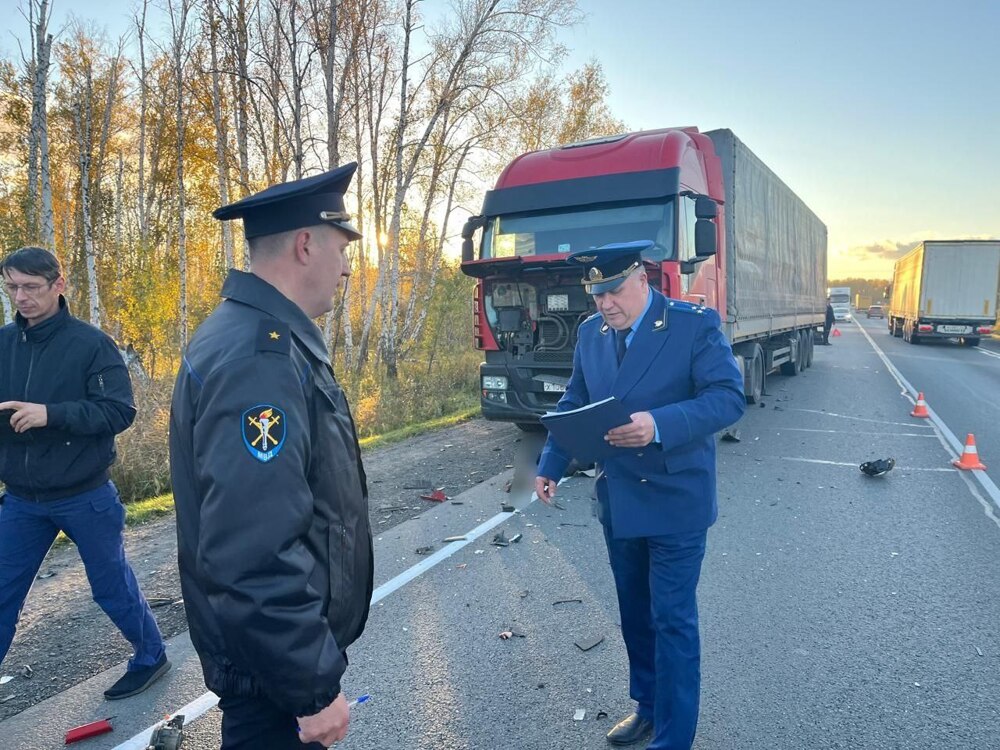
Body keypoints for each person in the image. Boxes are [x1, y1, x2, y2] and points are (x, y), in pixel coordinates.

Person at [169, 163, 373, 749]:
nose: (347, 266)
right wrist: (310, 685)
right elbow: (252, 551)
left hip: (267, 662)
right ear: (307, 244)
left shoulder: (253, 334)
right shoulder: (259, 358)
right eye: (341, 248)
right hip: (273, 679)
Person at [534, 241, 745, 750]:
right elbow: (575, 399)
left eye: (612, 291)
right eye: (596, 294)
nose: (604, 303)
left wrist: (660, 425)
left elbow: (728, 398)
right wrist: (551, 464)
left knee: (671, 619)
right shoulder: (592, 334)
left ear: (642, 280)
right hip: (620, 497)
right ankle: (648, 707)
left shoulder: (693, 325)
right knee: (634, 612)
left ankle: (673, 739)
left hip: (676, 498)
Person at [0, 246, 169, 700]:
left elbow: (119, 410)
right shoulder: (2, 344)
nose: (21, 297)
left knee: (111, 587)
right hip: (20, 499)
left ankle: (151, 656)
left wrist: (50, 414)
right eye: (12, 286)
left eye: (31, 287)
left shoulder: (91, 344)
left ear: (59, 284)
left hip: (84, 494)